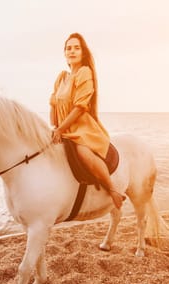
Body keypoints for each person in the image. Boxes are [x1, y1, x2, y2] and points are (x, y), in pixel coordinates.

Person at [49, 32, 125, 209]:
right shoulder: (61, 77)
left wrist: (61, 130)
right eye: (69, 48)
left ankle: (113, 189)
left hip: (82, 128)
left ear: (83, 52)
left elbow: (80, 107)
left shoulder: (84, 72)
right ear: (65, 53)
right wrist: (55, 127)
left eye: (77, 48)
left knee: (83, 152)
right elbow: (54, 108)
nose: (72, 51)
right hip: (62, 128)